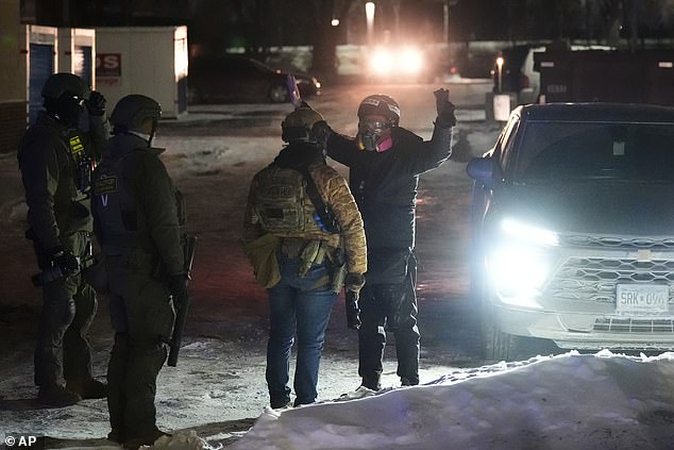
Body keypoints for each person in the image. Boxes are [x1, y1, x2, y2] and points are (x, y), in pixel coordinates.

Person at [323, 90, 456, 391]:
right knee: (368, 324)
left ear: (392, 126)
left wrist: (444, 122)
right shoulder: (358, 152)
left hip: (397, 251)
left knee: (403, 322)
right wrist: (303, 110)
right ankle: (369, 382)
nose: (369, 130)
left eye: (377, 124)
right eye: (365, 123)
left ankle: (410, 380)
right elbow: (331, 141)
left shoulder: (409, 153)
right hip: (362, 251)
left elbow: (438, 152)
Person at [243, 104, 367, 409]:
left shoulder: (263, 177)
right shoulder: (328, 178)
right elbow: (353, 226)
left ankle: (277, 399)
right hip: (319, 268)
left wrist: (262, 261)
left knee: (280, 335)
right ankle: (306, 403)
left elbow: (251, 227)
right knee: (311, 341)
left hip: (277, 264)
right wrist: (356, 273)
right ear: (318, 136)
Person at [91, 94, 188, 449]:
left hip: (116, 266)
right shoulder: (145, 164)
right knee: (149, 346)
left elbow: (99, 222)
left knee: (125, 345)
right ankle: (141, 429)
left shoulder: (106, 165)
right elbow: (164, 223)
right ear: (146, 123)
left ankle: (120, 427)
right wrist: (177, 273)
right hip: (145, 270)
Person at [17, 72, 109, 407]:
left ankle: (78, 377)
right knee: (60, 311)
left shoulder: (69, 135)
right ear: (63, 103)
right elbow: (41, 201)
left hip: (80, 234)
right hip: (60, 237)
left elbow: (102, 152)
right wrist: (53, 248)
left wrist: (98, 119)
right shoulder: (43, 142)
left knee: (84, 305)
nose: (80, 110)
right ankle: (49, 384)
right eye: (79, 104)